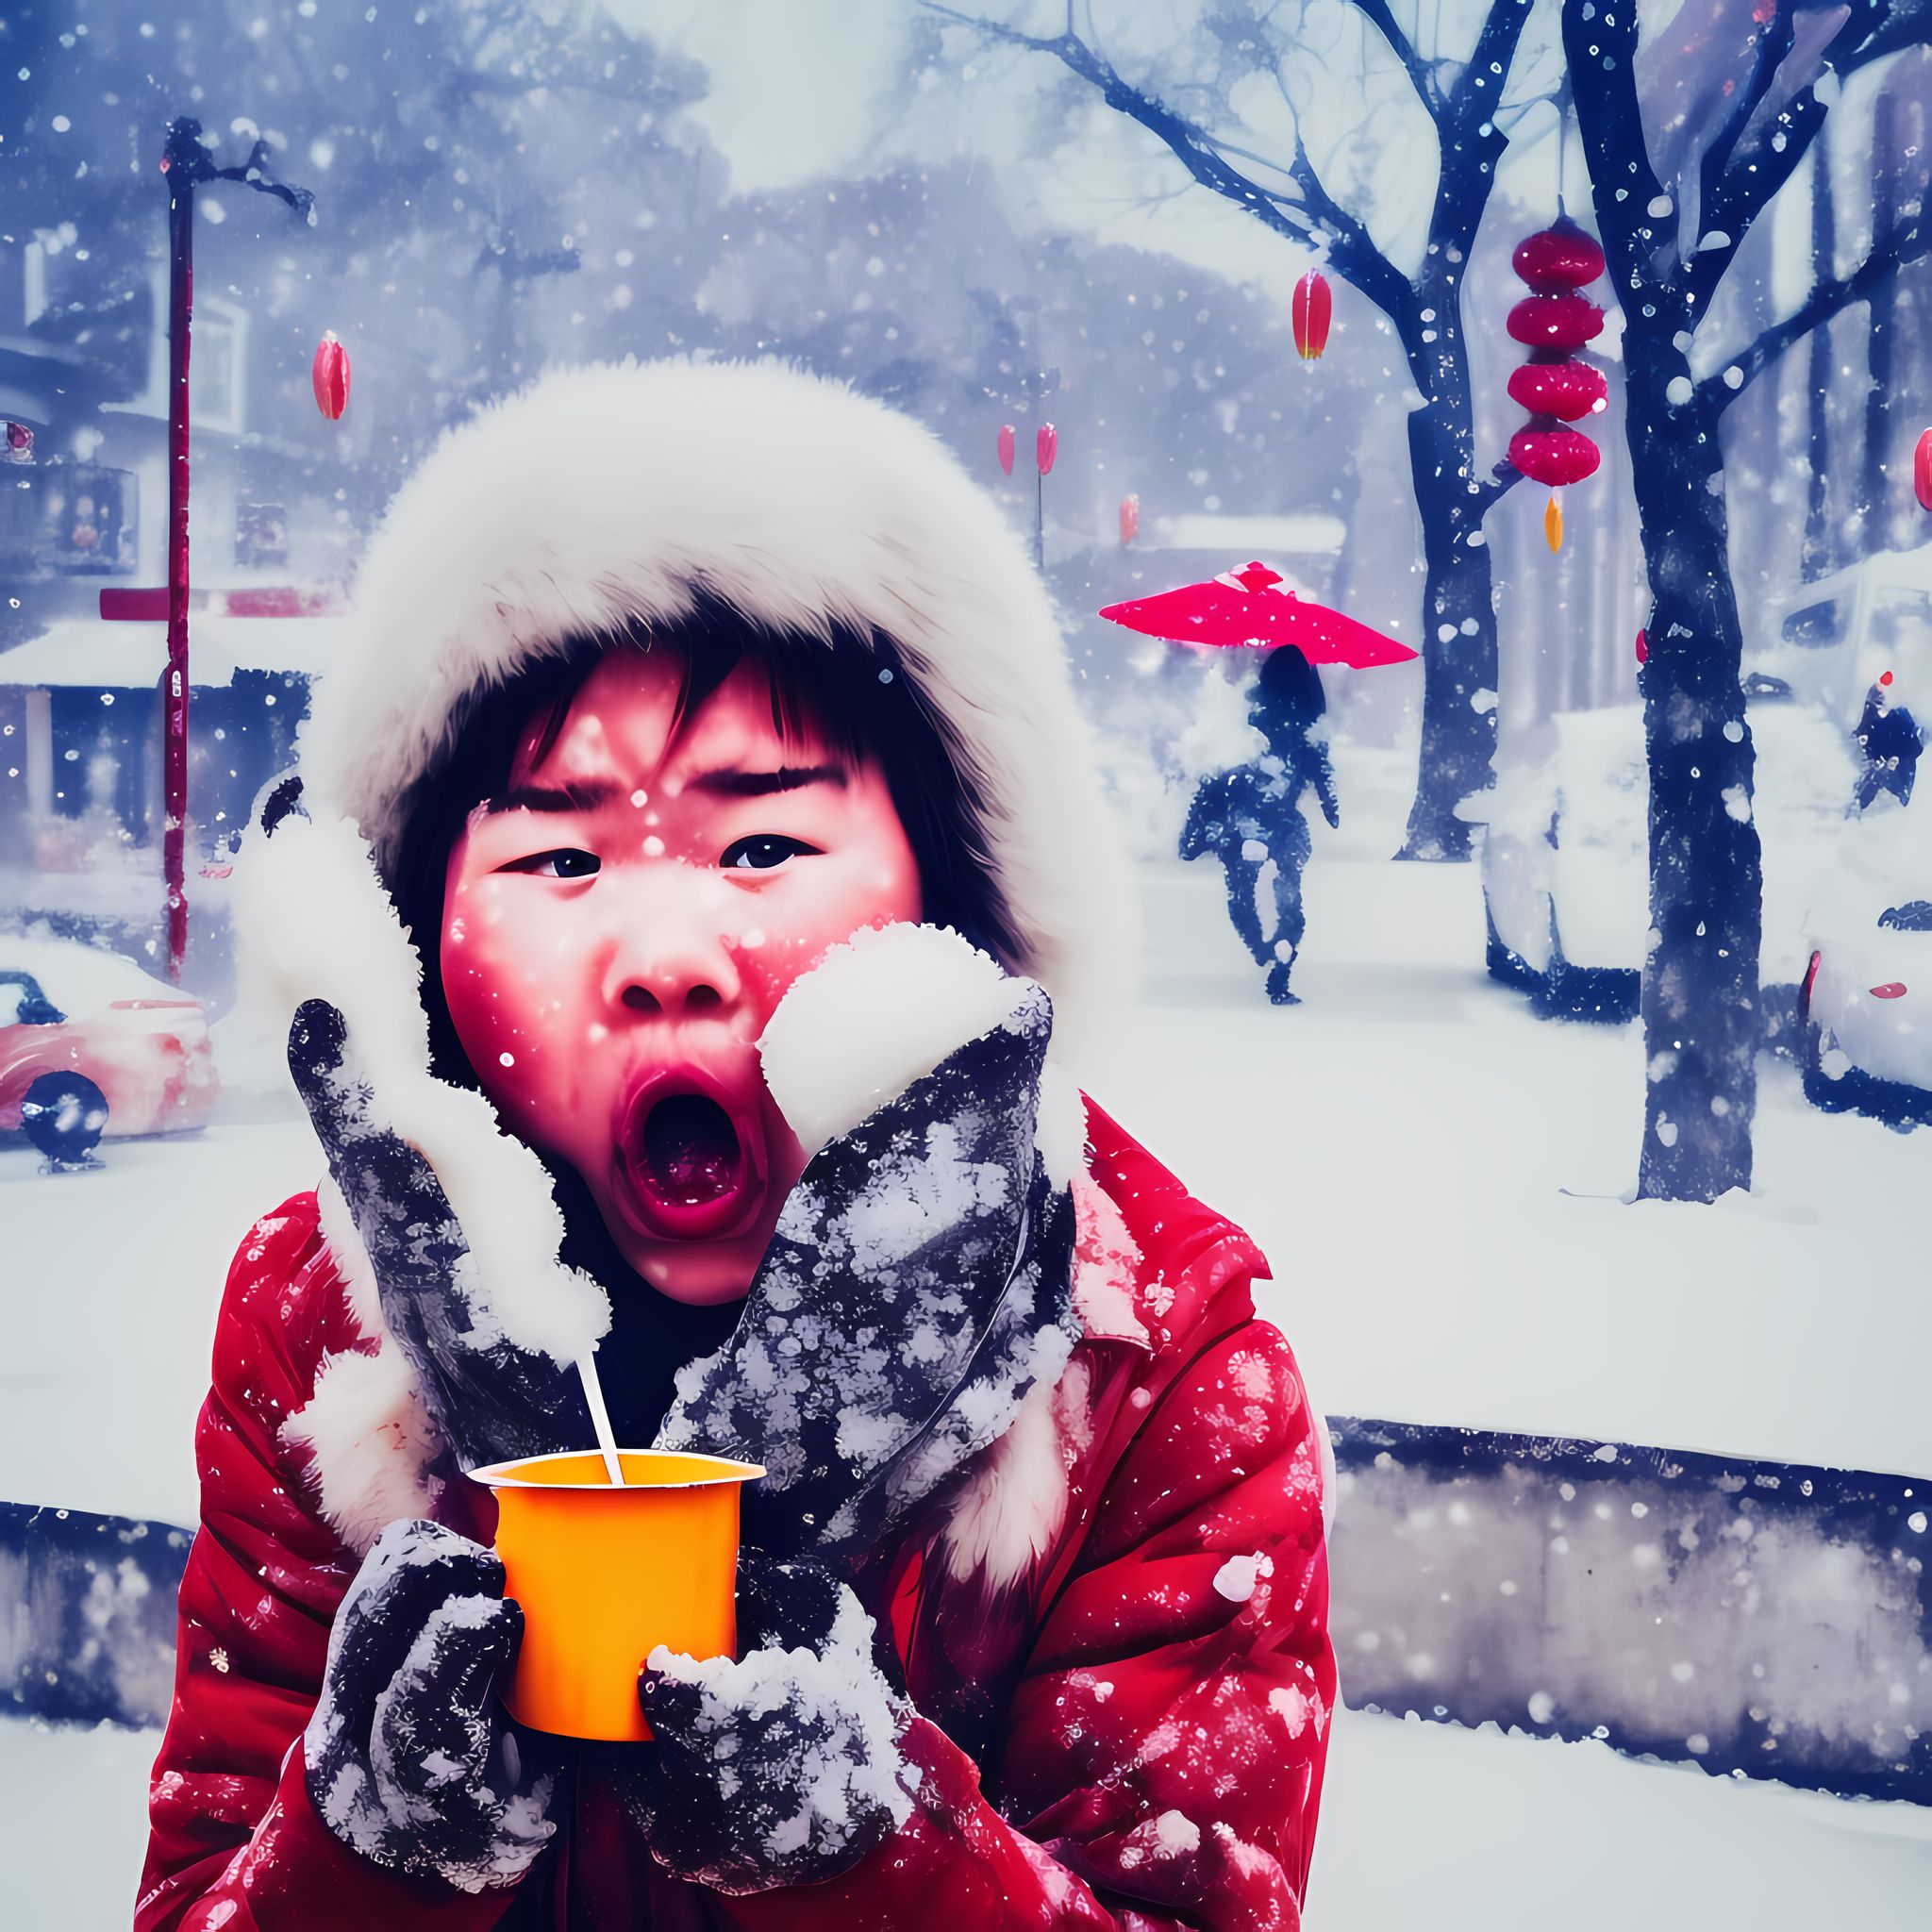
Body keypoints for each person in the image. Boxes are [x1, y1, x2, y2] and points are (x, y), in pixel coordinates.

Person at [136, 361, 1335, 1931]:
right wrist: (366, 1850)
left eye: (764, 841)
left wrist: (874, 1850)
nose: (664, 954)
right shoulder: (326, 1323)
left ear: (952, 899)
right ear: (416, 945)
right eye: (557, 854)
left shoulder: (1147, 1356)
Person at [1180, 646, 1340, 1005]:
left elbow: (1216, 778)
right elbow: (1321, 770)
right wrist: (1331, 807)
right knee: (1288, 896)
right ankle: (1280, 965)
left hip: (1241, 824)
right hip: (1286, 824)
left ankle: (1260, 946)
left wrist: (1194, 833)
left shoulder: (1248, 714)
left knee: (1241, 894)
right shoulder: (1310, 723)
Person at [1853, 673, 1924, 811]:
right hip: (1878, 766)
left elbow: (1915, 746)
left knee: (1881, 776)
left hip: (1898, 779)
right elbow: (1863, 730)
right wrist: (1862, 740)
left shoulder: (1902, 715)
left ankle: (1861, 807)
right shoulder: (1873, 712)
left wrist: (1896, 759)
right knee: (1874, 775)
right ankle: (1857, 806)